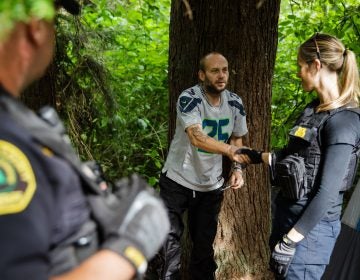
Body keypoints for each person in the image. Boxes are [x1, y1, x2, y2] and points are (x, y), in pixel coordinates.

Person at [0, 1, 169, 280]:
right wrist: (129, 248)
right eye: (53, 21)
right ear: (35, 27)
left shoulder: (16, 123)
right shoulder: (9, 148)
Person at [238, 33, 360, 279]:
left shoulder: (345, 121)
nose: (298, 73)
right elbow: (295, 158)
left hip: (309, 236)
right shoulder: (312, 111)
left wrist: (290, 242)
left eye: (300, 67)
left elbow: (327, 192)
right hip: (287, 220)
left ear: (316, 65)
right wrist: (255, 156)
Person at [159, 52, 248, 280]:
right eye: (214, 70)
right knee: (168, 242)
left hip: (211, 184)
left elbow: (238, 138)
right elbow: (196, 137)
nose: (221, 75)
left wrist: (237, 168)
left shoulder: (235, 102)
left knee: (203, 247)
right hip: (178, 180)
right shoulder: (189, 98)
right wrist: (229, 151)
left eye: (225, 70)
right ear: (202, 75)